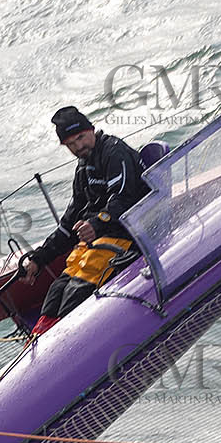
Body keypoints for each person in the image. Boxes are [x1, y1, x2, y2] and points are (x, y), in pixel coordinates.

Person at [22, 106, 148, 335]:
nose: (78, 147)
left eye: (80, 137)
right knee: (57, 290)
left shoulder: (114, 152)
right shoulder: (82, 167)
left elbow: (124, 199)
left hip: (127, 235)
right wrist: (40, 257)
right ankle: (39, 338)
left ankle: (60, 341)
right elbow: (71, 218)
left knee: (77, 292)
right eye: (70, 144)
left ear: (91, 129)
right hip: (96, 241)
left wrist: (96, 224)